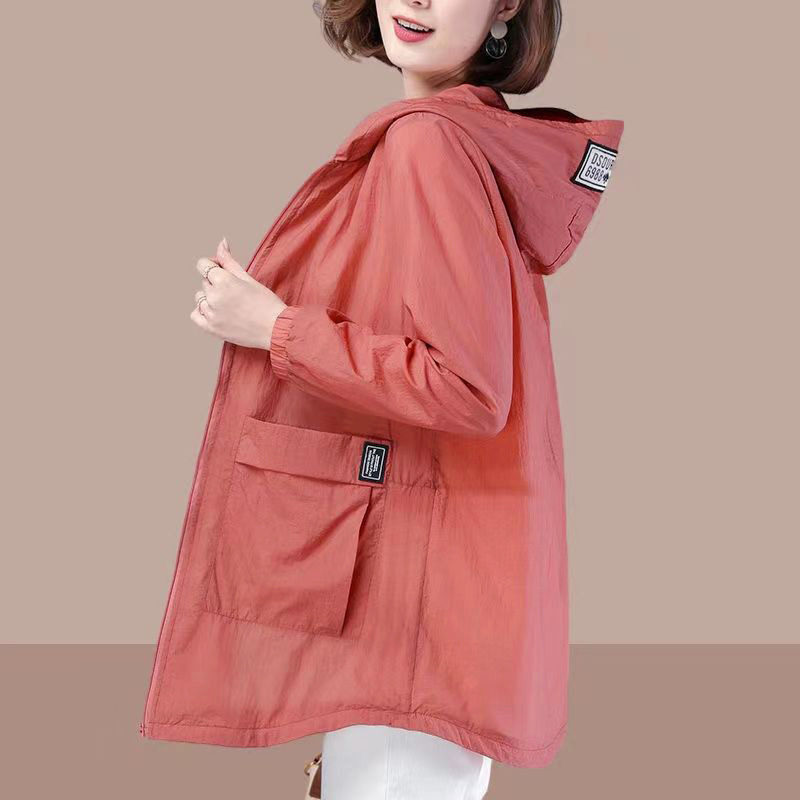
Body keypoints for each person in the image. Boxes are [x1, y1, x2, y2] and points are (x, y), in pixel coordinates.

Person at [140, 1, 624, 798]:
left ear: (506, 6)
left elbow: (467, 387)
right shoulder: (471, 141)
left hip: (412, 617)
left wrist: (276, 327)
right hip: (435, 604)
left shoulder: (430, 145)